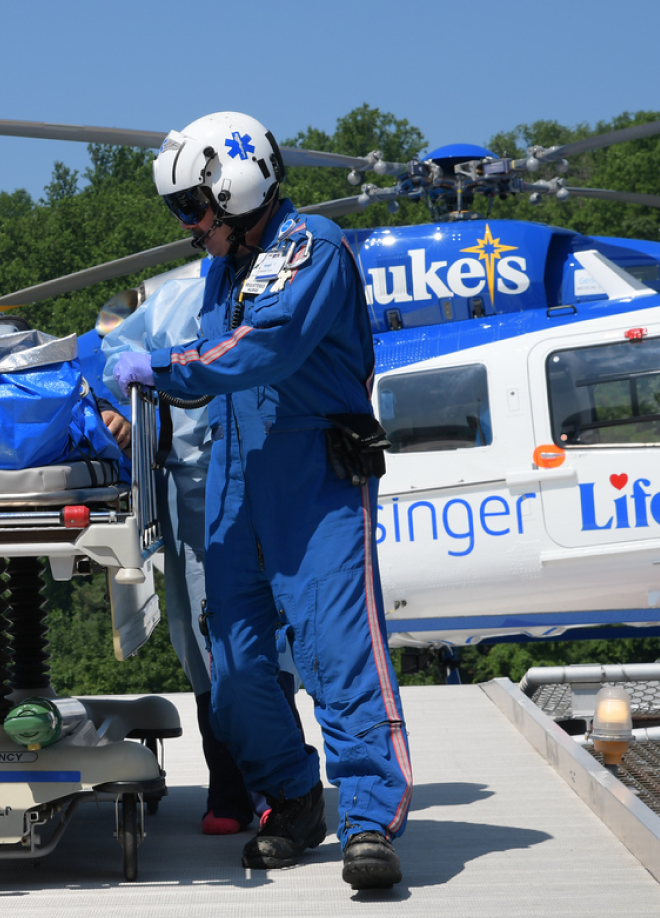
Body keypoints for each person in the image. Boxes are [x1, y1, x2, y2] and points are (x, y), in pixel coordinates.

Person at [113, 112, 412, 888]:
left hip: (313, 478)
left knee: (338, 652)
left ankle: (371, 819)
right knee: (236, 667)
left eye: (191, 208)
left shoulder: (311, 248)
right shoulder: (224, 264)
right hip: (233, 476)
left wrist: (166, 370)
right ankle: (293, 800)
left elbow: (264, 346)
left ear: (235, 188)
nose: (186, 227)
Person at [102, 277, 302, 836]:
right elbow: (111, 354)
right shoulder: (174, 297)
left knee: (261, 639)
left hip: (264, 478)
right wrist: (116, 409)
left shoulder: (286, 282)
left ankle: (277, 786)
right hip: (192, 492)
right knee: (200, 639)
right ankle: (230, 787)